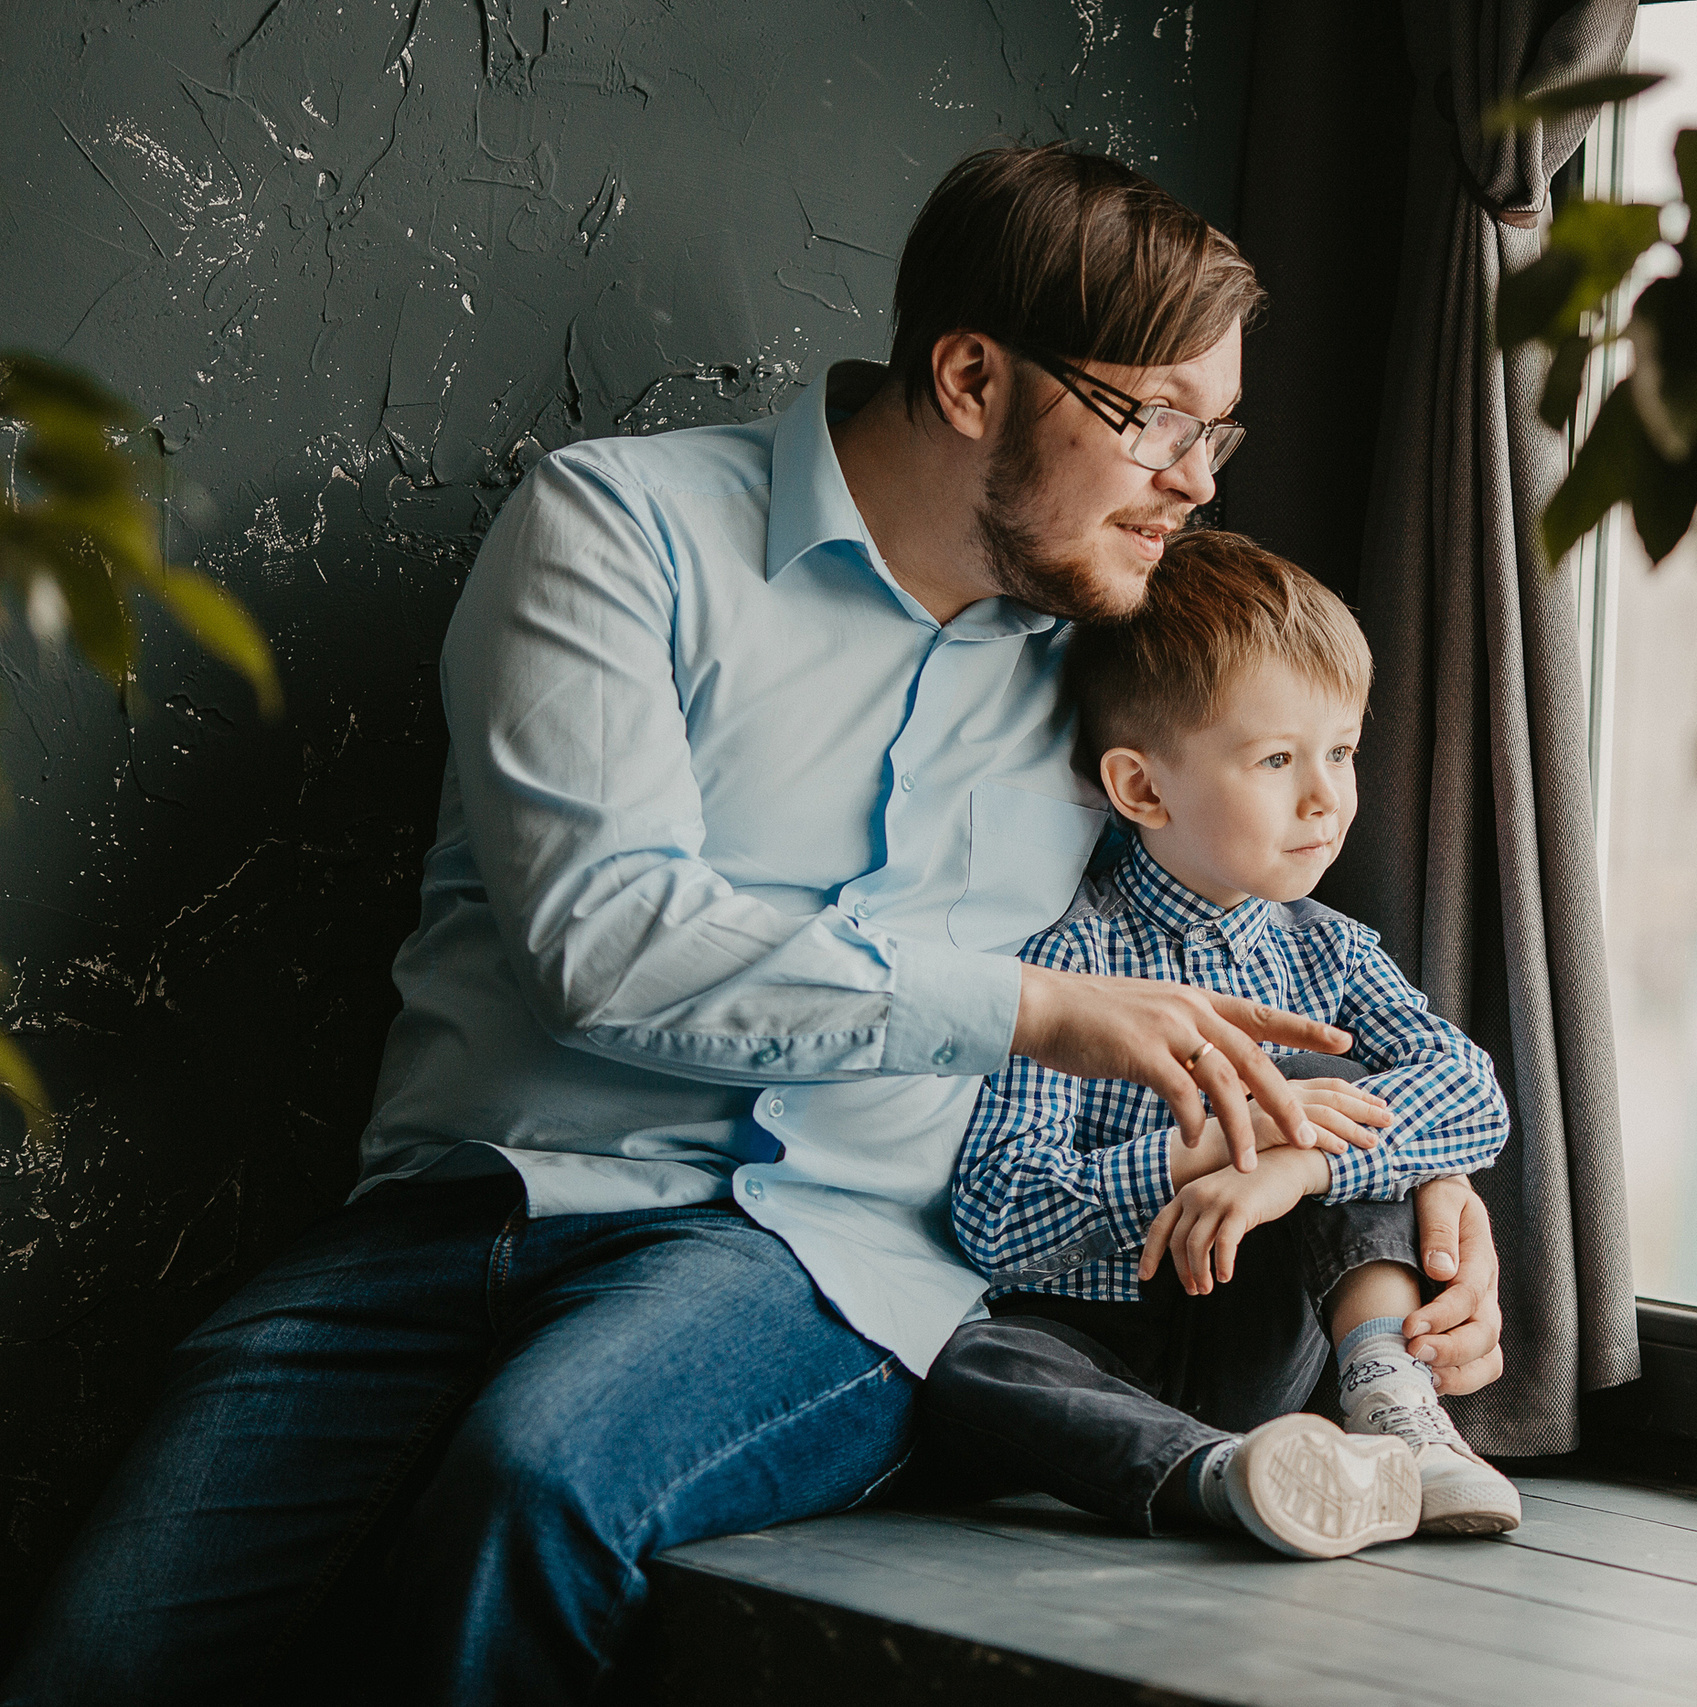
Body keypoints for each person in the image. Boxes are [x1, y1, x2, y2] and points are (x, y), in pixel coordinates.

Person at [2, 145, 1504, 1707]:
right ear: (973, 378)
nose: (1197, 478)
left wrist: (1397, 1176)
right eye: (1156, 418)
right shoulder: (619, 529)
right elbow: (606, 943)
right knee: (104, 1647)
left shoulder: (1118, 648)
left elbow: (1261, 890)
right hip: (459, 1213)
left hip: (819, 1261)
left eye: (1218, 428)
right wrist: (1029, 1008)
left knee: (539, 1475)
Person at [928, 530, 1522, 1559]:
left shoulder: (1331, 952)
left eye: (1341, 752)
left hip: (1265, 1333)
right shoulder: (1073, 960)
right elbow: (997, 1212)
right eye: (1277, 760)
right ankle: (1230, 1476)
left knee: (1329, 1090)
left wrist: (1293, 1163)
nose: (1325, 796)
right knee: (965, 1366)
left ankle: (1391, 1401)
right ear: (1143, 789)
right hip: (1096, 1337)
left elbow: (1472, 1093)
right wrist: (1205, 1149)